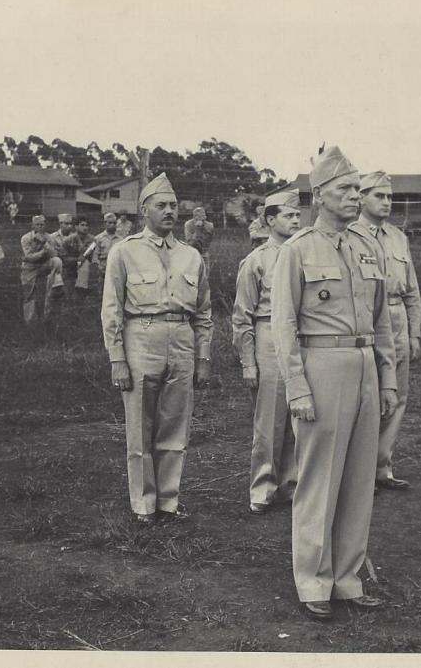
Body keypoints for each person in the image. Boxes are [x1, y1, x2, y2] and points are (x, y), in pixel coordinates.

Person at [272, 145, 397, 620]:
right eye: (345, 188)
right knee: (319, 478)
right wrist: (297, 387)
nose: (355, 196)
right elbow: (284, 325)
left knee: (360, 479)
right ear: (320, 195)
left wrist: (387, 379)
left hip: (364, 365)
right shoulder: (297, 249)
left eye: (357, 188)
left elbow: (382, 321)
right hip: (321, 364)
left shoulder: (367, 247)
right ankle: (313, 579)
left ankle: (348, 577)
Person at [102, 172, 213, 525]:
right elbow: (111, 310)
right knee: (140, 425)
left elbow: (204, 312)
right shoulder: (124, 251)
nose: (169, 211)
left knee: (175, 426)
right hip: (141, 337)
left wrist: (203, 357)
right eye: (161, 205)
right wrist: (117, 359)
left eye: (174, 206)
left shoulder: (191, 256)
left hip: (182, 338)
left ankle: (168, 501)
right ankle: (143, 504)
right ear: (143, 210)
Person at [232, 189, 302, 514]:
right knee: (270, 419)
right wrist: (248, 362)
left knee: (299, 413)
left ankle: (292, 484)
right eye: (289, 216)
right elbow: (241, 316)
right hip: (268, 336)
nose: (296, 221)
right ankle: (262, 487)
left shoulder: (304, 255)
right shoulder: (257, 260)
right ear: (270, 221)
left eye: (298, 215)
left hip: (300, 338)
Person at [351, 171, 421, 491]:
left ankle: (383, 467)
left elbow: (412, 290)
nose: (387, 202)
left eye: (390, 197)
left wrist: (415, 333)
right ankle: (360, 471)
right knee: (367, 395)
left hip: (397, 317)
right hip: (366, 319)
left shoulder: (397, 237)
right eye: (379, 196)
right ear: (361, 197)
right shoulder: (350, 235)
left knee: (398, 396)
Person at [20, 214, 64, 324]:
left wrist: (45, 244)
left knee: (57, 261)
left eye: (42, 224)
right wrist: (43, 252)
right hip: (29, 268)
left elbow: (55, 254)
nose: (40, 227)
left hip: (44, 265)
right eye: (37, 224)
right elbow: (29, 257)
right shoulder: (26, 238)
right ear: (32, 226)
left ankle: (56, 282)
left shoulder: (49, 237)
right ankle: (30, 321)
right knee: (29, 294)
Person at [82, 212, 123, 286]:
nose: (112, 225)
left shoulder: (121, 239)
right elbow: (93, 255)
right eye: (110, 223)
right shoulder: (97, 238)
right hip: (102, 271)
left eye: (114, 223)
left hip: (116, 271)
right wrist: (99, 267)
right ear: (105, 224)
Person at [50, 213, 79, 300]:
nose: (69, 226)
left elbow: (78, 252)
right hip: (59, 267)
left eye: (70, 224)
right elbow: (54, 253)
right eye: (66, 224)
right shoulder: (53, 237)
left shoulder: (75, 236)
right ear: (60, 224)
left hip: (72, 266)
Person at [66, 217, 93, 295]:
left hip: (85, 262)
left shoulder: (92, 239)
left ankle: (81, 288)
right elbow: (64, 253)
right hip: (71, 262)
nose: (85, 227)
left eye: (86, 225)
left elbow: (88, 253)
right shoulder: (69, 239)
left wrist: (82, 257)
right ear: (76, 227)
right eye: (82, 225)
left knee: (85, 263)